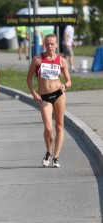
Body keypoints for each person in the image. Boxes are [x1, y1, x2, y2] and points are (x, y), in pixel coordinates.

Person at [26, 33, 71, 168]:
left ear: (56, 45)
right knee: (48, 128)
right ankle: (48, 151)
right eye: (47, 44)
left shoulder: (62, 60)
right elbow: (28, 78)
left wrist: (65, 85)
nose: (50, 46)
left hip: (59, 95)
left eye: (52, 44)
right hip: (44, 97)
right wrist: (34, 93)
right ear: (44, 44)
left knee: (59, 126)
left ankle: (56, 157)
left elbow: (69, 80)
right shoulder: (37, 59)